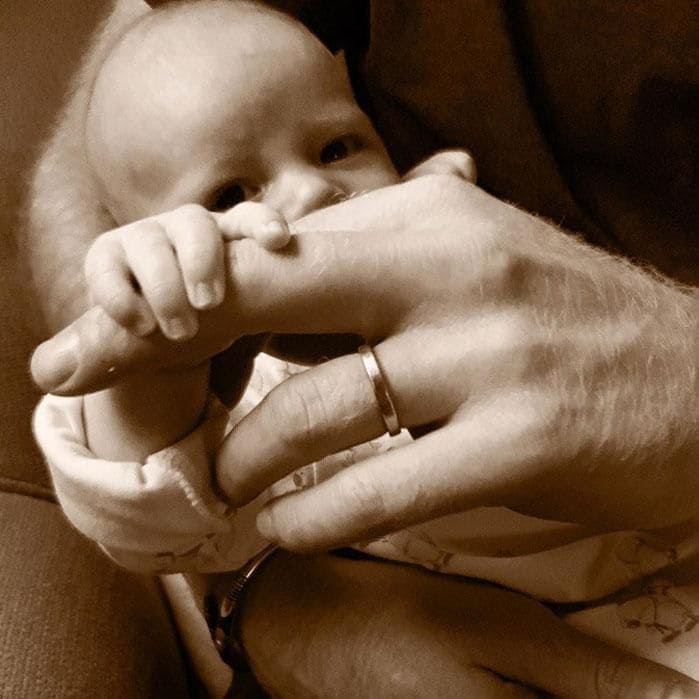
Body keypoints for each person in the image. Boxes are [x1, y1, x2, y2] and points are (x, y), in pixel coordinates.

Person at [26, 0, 698, 696]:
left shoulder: (453, 239)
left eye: (337, 148)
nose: (313, 189)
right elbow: (151, 520)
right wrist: (153, 360)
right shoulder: (228, 382)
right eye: (230, 193)